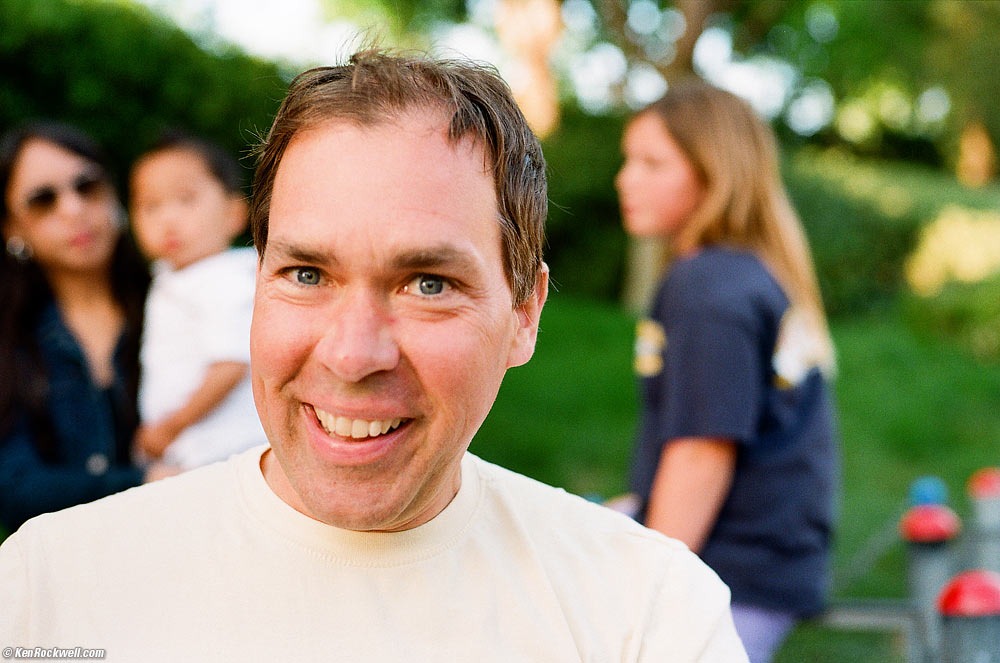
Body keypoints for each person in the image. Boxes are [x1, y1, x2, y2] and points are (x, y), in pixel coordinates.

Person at [0, 51, 747, 661]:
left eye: (429, 283)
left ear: (525, 312)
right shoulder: (48, 588)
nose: (353, 354)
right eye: (307, 274)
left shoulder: (647, 613)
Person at [615, 80, 839, 663]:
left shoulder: (709, 288)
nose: (625, 178)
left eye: (651, 163)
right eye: (628, 160)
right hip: (765, 562)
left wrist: (650, 589)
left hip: (729, 575)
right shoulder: (741, 275)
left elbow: (702, 452)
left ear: (713, 174)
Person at [0, 122, 171, 534]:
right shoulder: (10, 341)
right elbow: (14, 486)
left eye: (87, 186)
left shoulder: (179, 305)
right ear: (12, 229)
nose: (73, 209)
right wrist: (142, 483)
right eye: (44, 200)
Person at [128, 132, 265, 470]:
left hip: (226, 449)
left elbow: (230, 365)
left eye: (186, 200)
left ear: (234, 214)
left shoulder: (224, 279)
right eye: (151, 206)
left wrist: (170, 427)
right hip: (192, 450)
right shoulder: (169, 277)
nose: (167, 219)